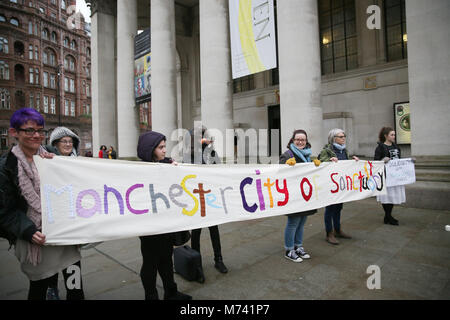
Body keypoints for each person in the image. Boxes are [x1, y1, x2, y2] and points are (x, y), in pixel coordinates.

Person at [0, 108, 85, 300]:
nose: (37, 135)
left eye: (40, 130)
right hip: (36, 240)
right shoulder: (7, 167)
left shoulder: (52, 156)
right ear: (14, 133)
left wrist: (56, 164)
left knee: (75, 285)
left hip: (65, 236)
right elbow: (5, 211)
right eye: (29, 130)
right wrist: (28, 231)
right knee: (39, 289)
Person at [137, 130, 192, 300]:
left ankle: (171, 291)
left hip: (167, 224)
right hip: (149, 227)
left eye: (164, 146)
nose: (164, 150)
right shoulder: (138, 170)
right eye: (160, 147)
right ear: (150, 149)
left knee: (167, 259)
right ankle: (151, 295)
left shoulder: (168, 164)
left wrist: (175, 170)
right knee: (150, 263)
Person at [43, 126, 81, 299]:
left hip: (73, 222)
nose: (67, 144)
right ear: (55, 144)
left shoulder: (78, 162)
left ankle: (75, 294)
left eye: (70, 141)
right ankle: (52, 288)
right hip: (55, 222)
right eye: (64, 141)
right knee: (53, 263)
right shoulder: (46, 162)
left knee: (73, 262)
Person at [189, 128, 228, 283]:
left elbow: (218, 169)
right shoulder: (189, 153)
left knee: (214, 229)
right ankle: (196, 264)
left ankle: (218, 259)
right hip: (196, 198)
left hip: (211, 197)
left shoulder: (211, 152)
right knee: (196, 233)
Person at [280, 130, 320, 262]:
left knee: (302, 222)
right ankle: (289, 249)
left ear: (306, 141)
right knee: (293, 222)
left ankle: (298, 246)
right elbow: (278, 173)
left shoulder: (309, 155)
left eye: (303, 140)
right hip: (294, 195)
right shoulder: (287, 155)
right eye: (297, 139)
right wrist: (286, 166)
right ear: (292, 140)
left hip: (306, 194)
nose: (300, 142)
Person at [318, 128, 359, 245]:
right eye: (340, 137)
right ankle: (329, 233)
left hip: (340, 185)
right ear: (333, 138)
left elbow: (345, 165)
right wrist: (329, 160)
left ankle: (337, 229)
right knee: (330, 209)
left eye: (344, 136)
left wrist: (353, 161)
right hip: (330, 185)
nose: (343, 138)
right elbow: (321, 161)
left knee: (338, 208)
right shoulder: (327, 150)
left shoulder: (344, 151)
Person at [374, 127, 405, 225]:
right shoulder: (380, 147)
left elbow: (399, 159)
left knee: (392, 196)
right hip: (386, 176)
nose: (394, 136)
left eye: (394, 134)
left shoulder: (396, 146)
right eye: (392, 135)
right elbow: (375, 162)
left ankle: (387, 217)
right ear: (385, 136)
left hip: (395, 175)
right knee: (386, 197)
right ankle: (388, 217)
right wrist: (382, 160)